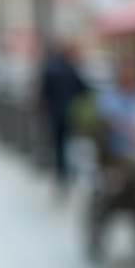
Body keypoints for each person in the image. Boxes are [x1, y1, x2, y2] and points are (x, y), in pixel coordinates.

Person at [39, 41, 88, 184]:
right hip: (70, 113)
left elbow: (45, 91)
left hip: (54, 112)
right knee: (68, 142)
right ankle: (66, 170)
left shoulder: (52, 70)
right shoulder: (71, 71)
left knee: (58, 143)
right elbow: (83, 89)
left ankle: (61, 170)